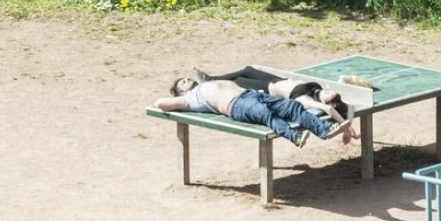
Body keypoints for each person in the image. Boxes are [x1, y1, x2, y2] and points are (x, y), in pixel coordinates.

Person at [153, 77, 351, 148]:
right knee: (265, 114)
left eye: (186, 77)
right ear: (181, 91)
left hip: (252, 95)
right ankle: (295, 136)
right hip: (237, 105)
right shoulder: (188, 98)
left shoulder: (205, 84)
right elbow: (159, 103)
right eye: (183, 82)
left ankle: (325, 129)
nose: (187, 79)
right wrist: (178, 100)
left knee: (293, 107)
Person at [192, 66, 359, 142]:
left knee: (238, 82)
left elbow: (329, 109)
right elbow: (350, 106)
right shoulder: (317, 89)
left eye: (328, 94)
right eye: (330, 91)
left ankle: (205, 87)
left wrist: (345, 128)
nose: (328, 89)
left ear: (323, 101)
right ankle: (211, 79)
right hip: (276, 79)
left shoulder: (306, 100)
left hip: (266, 89)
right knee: (248, 70)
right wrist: (349, 124)